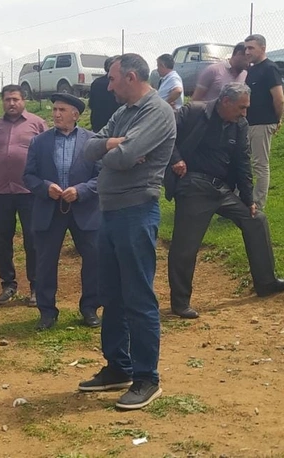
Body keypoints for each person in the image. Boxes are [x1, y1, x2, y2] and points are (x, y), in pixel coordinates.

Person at [80, 53, 176, 410]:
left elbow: (123, 157)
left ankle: (147, 378)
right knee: (112, 294)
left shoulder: (157, 112)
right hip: (110, 211)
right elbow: (89, 148)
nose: (108, 85)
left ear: (131, 77)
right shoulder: (124, 113)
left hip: (136, 212)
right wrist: (113, 144)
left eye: (113, 79)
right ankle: (118, 367)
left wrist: (118, 149)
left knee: (138, 296)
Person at [166, 83, 284, 318]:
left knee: (255, 219)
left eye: (246, 108)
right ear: (225, 102)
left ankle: (266, 282)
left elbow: (243, 161)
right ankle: (180, 303)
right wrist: (176, 159)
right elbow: (166, 135)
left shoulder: (240, 124)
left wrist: (249, 198)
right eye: (241, 107)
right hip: (194, 186)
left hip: (222, 190)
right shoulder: (194, 112)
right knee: (185, 246)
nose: (244, 113)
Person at [23, 93, 101, 331]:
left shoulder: (93, 140)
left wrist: (81, 190)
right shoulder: (40, 142)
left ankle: (90, 308)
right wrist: (46, 188)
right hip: (50, 209)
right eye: (55, 109)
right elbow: (28, 176)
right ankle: (47, 312)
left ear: (75, 115)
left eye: (62, 110)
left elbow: (103, 177)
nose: (56, 114)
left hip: (84, 210)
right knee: (45, 262)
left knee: (94, 260)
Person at [0, 85, 47, 306]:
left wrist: (44, 185)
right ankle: (8, 284)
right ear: (2, 101)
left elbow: (48, 154)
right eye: (7, 100)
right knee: (2, 240)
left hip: (29, 192)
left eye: (15, 99)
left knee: (33, 241)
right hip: (2, 192)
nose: (11, 103)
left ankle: (36, 287)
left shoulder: (37, 124)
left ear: (23, 100)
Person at [244, 34, 284, 210]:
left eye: (251, 48)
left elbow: (279, 98)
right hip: (247, 123)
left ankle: (258, 204)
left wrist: (277, 119)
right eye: (246, 48)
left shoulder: (270, 68)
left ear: (263, 48)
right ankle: (242, 199)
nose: (247, 52)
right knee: (243, 161)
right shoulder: (252, 70)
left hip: (263, 123)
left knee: (260, 165)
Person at [88, 56, 120, 132]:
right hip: (115, 125)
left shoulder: (96, 82)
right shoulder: (119, 83)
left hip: (97, 122)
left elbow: (91, 104)